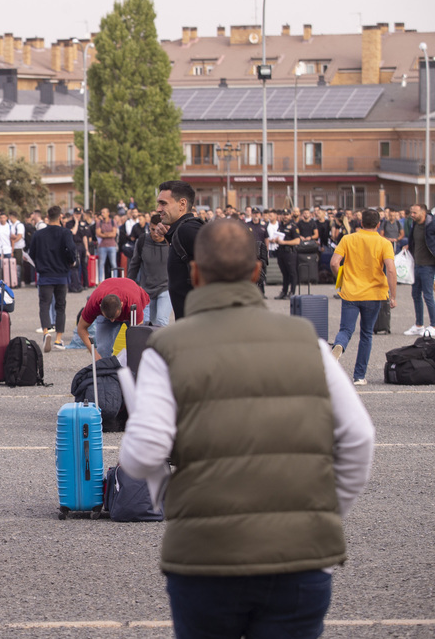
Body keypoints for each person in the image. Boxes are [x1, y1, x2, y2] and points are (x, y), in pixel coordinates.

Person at [119, 218, 375, 639]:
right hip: (300, 555)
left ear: (195, 273)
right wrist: (326, 513)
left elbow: (145, 453)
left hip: (205, 557)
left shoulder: (166, 348)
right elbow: (359, 438)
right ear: (257, 272)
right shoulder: (307, 342)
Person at [330, 208, 396, 385]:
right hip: (374, 294)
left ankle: (339, 346)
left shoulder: (348, 239)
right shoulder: (384, 243)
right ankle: (359, 376)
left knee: (346, 329)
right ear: (378, 224)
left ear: (360, 223)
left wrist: (342, 280)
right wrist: (394, 295)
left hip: (351, 291)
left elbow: (334, 262)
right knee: (366, 334)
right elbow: (390, 269)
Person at [27, 205, 77, 352]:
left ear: (47, 217)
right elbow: (71, 250)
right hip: (61, 275)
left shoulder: (38, 234)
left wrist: (40, 265)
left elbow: (32, 253)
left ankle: (46, 332)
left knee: (44, 305)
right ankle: (58, 339)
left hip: (45, 275)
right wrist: (71, 261)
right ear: (60, 217)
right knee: (60, 306)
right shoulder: (66, 232)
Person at [153, 180, 201, 320]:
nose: (158, 209)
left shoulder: (189, 230)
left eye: (164, 203)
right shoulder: (180, 231)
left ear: (182, 204)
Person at [75, 276, 150, 358]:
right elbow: (81, 328)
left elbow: (138, 335)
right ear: (100, 307)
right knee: (103, 349)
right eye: (109, 318)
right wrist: (95, 354)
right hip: (113, 307)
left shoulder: (133, 302)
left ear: (121, 305)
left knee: (140, 347)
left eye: (114, 317)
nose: (112, 321)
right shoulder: (94, 303)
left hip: (135, 306)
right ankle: (105, 368)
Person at [128, 214, 171, 327]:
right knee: (149, 324)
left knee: (161, 322)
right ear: (149, 227)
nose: (156, 233)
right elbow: (134, 264)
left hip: (166, 288)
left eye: (159, 230)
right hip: (147, 289)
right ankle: (150, 345)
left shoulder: (171, 242)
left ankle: (162, 345)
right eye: (153, 229)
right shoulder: (142, 241)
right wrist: (129, 285)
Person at [404, 204, 435, 336]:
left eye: (415, 212)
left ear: (423, 212)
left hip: (428, 265)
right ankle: (419, 325)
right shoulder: (415, 224)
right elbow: (413, 241)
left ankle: (433, 325)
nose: (412, 215)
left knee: (428, 295)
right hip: (416, 264)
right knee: (415, 294)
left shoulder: (432, 224)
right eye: (411, 212)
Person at [270, 210, 300, 299]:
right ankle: (284, 291)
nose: (285, 216)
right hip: (281, 251)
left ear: (290, 216)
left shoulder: (293, 226)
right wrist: (275, 240)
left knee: (292, 273)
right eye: (284, 215)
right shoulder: (280, 226)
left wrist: (284, 242)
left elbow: (297, 241)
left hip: (290, 252)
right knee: (284, 273)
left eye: (287, 215)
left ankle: (292, 292)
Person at [95, 208, 118, 283]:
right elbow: (98, 234)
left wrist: (104, 234)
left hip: (112, 245)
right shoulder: (99, 222)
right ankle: (100, 280)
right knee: (101, 264)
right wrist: (109, 234)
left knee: (113, 263)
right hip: (102, 246)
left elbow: (114, 234)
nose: (102, 214)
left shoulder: (113, 222)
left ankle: (115, 280)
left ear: (108, 213)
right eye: (102, 212)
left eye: (104, 212)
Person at [8, 211, 26, 286]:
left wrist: (13, 241)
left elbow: (19, 236)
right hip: (12, 247)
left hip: (18, 247)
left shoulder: (19, 225)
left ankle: (21, 280)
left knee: (19, 264)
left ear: (11, 217)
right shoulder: (11, 225)